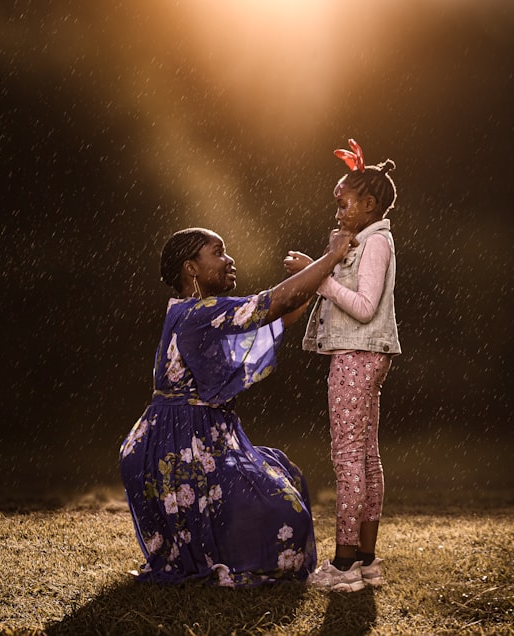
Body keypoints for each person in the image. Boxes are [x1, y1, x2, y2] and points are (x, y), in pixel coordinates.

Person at [119, 225, 356, 587]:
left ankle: (225, 550)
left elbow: (282, 313)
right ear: (191, 268)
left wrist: (318, 277)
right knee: (284, 514)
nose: (229, 260)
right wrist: (333, 256)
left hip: (187, 437)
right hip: (177, 445)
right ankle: (225, 557)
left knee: (283, 476)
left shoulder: (198, 311)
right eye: (218, 252)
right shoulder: (199, 313)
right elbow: (275, 302)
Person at [283, 139, 401, 592]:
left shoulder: (376, 245)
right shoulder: (370, 241)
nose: (337, 212)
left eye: (344, 203)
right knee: (366, 458)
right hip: (364, 357)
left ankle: (345, 565)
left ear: (369, 204)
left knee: (349, 459)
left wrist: (320, 274)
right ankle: (367, 562)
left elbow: (365, 306)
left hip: (356, 357)